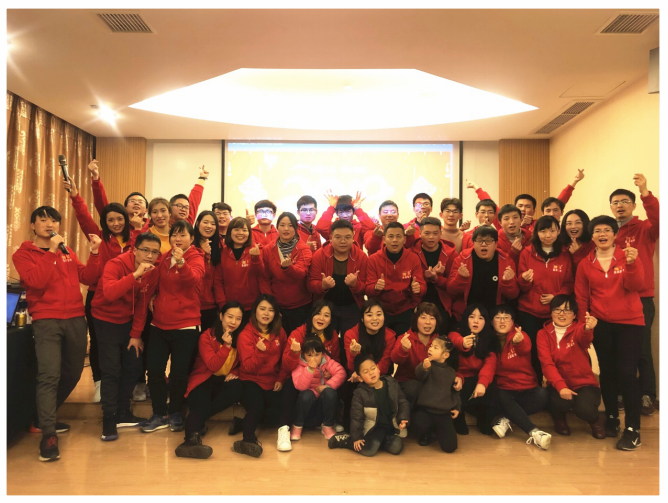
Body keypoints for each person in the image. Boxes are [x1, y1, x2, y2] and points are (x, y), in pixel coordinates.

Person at [13, 206, 101, 462]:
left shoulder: (67, 251)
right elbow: (36, 281)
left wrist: (95, 253)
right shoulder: (23, 254)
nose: (49, 224)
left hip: (75, 317)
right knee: (49, 375)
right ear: (33, 225)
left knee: (73, 373)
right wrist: (51, 252)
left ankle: (43, 418)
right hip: (46, 319)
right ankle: (48, 434)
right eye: (43, 220)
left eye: (54, 220)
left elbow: (87, 277)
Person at [64, 176, 142, 403]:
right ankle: (99, 383)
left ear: (126, 220)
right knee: (99, 343)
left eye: (120, 219)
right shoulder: (100, 237)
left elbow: (143, 253)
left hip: (129, 296)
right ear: (105, 222)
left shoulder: (134, 239)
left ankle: (127, 386)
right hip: (98, 297)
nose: (116, 223)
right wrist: (76, 196)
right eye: (111, 220)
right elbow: (84, 217)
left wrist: (137, 230)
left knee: (128, 343)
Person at [575, 215, 644, 451]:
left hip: (630, 323)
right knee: (607, 372)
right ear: (592, 236)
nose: (602, 234)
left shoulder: (628, 255)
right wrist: (584, 325)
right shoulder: (586, 263)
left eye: (607, 230)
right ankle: (612, 417)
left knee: (627, 374)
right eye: (597, 231)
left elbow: (636, 286)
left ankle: (633, 429)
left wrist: (632, 264)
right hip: (601, 324)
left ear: (615, 234)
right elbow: (581, 297)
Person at [90, 232, 162, 441]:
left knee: (134, 366)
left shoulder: (153, 271)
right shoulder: (115, 264)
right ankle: (109, 419)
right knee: (111, 370)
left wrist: (135, 334)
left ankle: (123, 411)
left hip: (128, 321)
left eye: (155, 252)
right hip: (105, 319)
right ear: (134, 250)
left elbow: (142, 304)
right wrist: (135, 274)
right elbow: (110, 293)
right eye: (145, 250)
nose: (150, 256)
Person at [137, 220, 206, 434]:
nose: (177, 239)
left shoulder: (196, 257)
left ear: (192, 238)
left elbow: (193, 280)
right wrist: (154, 295)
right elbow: (156, 281)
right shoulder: (165, 257)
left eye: (182, 235)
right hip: (159, 324)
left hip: (186, 326)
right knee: (154, 370)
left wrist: (182, 263)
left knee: (179, 373)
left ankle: (175, 412)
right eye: (174, 235)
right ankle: (159, 413)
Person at [610, 174, 659, 416]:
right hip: (614, 298)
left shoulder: (644, 228)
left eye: (624, 202)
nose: (619, 206)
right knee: (619, 349)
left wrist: (645, 191)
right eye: (615, 202)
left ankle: (648, 395)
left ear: (634, 205)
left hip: (641, 298)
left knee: (641, 349)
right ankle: (620, 393)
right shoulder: (607, 231)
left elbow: (658, 218)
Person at [175, 302, 246, 459]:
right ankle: (190, 440)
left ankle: (197, 422)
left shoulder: (242, 337)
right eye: (230, 317)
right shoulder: (206, 336)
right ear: (221, 316)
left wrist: (235, 372)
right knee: (201, 404)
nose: (233, 322)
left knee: (238, 388)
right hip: (203, 380)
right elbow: (213, 365)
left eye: (238, 318)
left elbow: (245, 362)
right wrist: (226, 346)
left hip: (222, 381)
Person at [537, 295, 606, 440]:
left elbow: (585, 338)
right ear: (551, 312)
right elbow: (547, 364)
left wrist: (588, 329)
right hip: (558, 384)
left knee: (585, 409)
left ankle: (595, 422)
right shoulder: (543, 334)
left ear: (574, 315)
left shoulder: (579, 329)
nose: (562, 314)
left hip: (584, 383)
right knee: (559, 402)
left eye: (567, 310)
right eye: (557, 310)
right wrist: (561, 386)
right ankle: (559, 418)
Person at [517, 215, 574, 385]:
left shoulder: (565, 254)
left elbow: (569, 285)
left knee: (555, 352)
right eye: (543, 231)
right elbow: (521, 286)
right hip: (529, 311)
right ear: (536, 232)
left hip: (555, 313)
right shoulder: (527, 253)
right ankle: (535, 387)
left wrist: (555, 297)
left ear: (558, 232)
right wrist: (524, 280)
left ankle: (556, 386)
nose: (547, 235)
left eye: (552, 230)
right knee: (532, 352)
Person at [234, 294, 290, 458]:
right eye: (262, 309)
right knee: (256, 407)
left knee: (281, 411)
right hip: (250, 380)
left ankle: (240, 422)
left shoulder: (280, 332)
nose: (266, 313)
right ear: (255, 311)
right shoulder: (245, 335)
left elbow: (285, 360)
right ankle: (247, 440)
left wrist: (281, 378)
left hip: (272, 381)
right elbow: (248, 367)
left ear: (276, 313)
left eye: (271, 310)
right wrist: (259, 352)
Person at [488, 305, 551, 450]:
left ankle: (506, 418)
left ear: (512, 321)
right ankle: (535, 432)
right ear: (491, 322)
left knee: (542, 394)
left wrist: (518, 342)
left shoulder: (520, 335)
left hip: (526, 387)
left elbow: (525, 348)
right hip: (504, 388)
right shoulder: (489, 340)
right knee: (500, 394)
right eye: (498, 318)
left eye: (506, 318)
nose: (502, 321)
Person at [308, 219, 368, 365]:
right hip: (326, 309)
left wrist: (355, 285)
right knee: (326, 345)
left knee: (351, 345)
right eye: (338, 237)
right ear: (330, 238)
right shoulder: (320, 255)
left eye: (347, 237)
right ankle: (325, 372)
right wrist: (322, 285)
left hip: (351, 307)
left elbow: (366, 288)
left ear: (353, 237)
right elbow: (310, 285)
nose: (343, 241)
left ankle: (349, 373)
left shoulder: (361, 257)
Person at [328, 354, 409, 457]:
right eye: (366, 372)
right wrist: (357, 437)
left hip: (390, 428)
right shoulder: (360, 393)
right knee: (369, 450)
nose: (371, 373)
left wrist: (403, 418)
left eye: (373, 368)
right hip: (373, 429)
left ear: (378, 369)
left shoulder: (391, 383)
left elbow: (402, 402)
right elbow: (357, 417)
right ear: (360, 378)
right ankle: (346, 440)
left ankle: (377, 443)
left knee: (396, 447)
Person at [465, 169, 585, 233]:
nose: (523, 209)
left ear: (534, 211)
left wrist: (574, 182)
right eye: (520, 206)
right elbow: (489, 203)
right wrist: (476, 187)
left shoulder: (540, 224)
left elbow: (557, 204)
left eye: (527, 206)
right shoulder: (503, 222)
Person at [391, 303, 458, 412]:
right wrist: (403, 349)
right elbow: (395, 359)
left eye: (432, 318)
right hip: (408, 382)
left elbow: (450, 365)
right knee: (416, 388)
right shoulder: (405, 338)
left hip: (432, 384)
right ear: (416, 320)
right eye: (423, 317)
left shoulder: (441, 341)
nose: (428, 322)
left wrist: (459, 377)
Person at [365, 222, 426, 336]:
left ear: (404, 239)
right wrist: (375, 288)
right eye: (391, 236)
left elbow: (422, 286)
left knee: (403, 343)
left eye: (398, 236)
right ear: (384, 239)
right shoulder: (373, 259)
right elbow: (368, 289)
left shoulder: (413, 258)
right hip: (380, 311)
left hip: (405, 309)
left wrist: (418, 289)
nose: (394, 240)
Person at [447, 304, 500, 435]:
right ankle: (459, 415)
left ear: (486, 322)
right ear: (466, 319)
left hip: (477, 380)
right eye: (472, 317)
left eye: (481, 318)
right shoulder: (456, 333)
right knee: (452, 384)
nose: (476, 321)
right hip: (459, 379)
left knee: (493, 387)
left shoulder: (490, 339)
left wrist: (482, 383)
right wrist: (463, 343)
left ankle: (484, 419)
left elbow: (490, 364)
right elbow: (454, 339)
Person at [447, 225, 519, 321]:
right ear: (473, 243)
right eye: (479, 241)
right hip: (467, 313)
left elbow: (513, 295)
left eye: (488, 241)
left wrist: (508, 282)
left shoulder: (506, 260)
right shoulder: (463, 259)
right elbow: (451, 290)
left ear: (496, 243)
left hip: (494, 316)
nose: (484, 244)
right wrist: (461, 278)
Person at [213, 217, 272, 323]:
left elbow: (261, 273)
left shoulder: (256, 249)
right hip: (230, 307)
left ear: (249, 233)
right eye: (236, 229)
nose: (240, 233)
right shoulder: (223, 252)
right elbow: (218, 281)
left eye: (244, 230)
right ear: (230, 232)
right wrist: (222, 304)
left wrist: (256, 258)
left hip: (253, 306)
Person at [263, 212, 313, 335]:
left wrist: (288, 268)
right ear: (277, 227)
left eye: (290, 225)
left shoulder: (304, 249)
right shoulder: (268, 249)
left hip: (301, 306)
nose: (286, 229)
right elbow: (264, 278)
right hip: (277, 305)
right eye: (282, 225)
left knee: (299, 339)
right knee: (278, 339)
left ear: (296, 228)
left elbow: (301, 273)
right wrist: (271, 303)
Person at [291, 338, 346, 441]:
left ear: (322, 354)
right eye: (309, 355)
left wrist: (327, 385)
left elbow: (341, 372)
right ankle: (297, 426)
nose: (314, 358)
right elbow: (300, 386)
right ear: (303, 355)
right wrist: (310, 370)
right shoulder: (300, 365)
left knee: (330, 392)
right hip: (307, 408)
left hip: (322, 405)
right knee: (306, 395)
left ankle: (328, 426)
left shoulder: (327, 362)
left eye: (317, 355)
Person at [412, 336, 460, 453]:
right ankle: (427, 433)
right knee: (416, 425)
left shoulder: (451, 372)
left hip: (443, 413)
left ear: (445, 355)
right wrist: (424, 367)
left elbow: (455, 392)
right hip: (426, 410)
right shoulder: (428, 365)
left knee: (450, 447)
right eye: (431, 346)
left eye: (435, 347)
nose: (430, 349)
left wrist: (457, 407)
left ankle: (437, 431)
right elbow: (419, 375)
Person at [411, 216, 458, 334]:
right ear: (420, 233)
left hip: (442, 301)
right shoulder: (412, 253)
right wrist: (426, 278)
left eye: (435, 233)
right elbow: (408, 282)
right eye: (427, 233)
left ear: (441, 234)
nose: (431, 237)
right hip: (416, 301)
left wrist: (437, 278)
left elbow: (453, 286)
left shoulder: (450, 254)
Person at [193, 211, 222, 332]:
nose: (209, 226)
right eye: (205, 222)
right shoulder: (190, 245)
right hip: (192, 305)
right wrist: (202, 254)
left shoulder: (219, 246)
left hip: (211, 306)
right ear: (197, 223)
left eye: (213, 224)